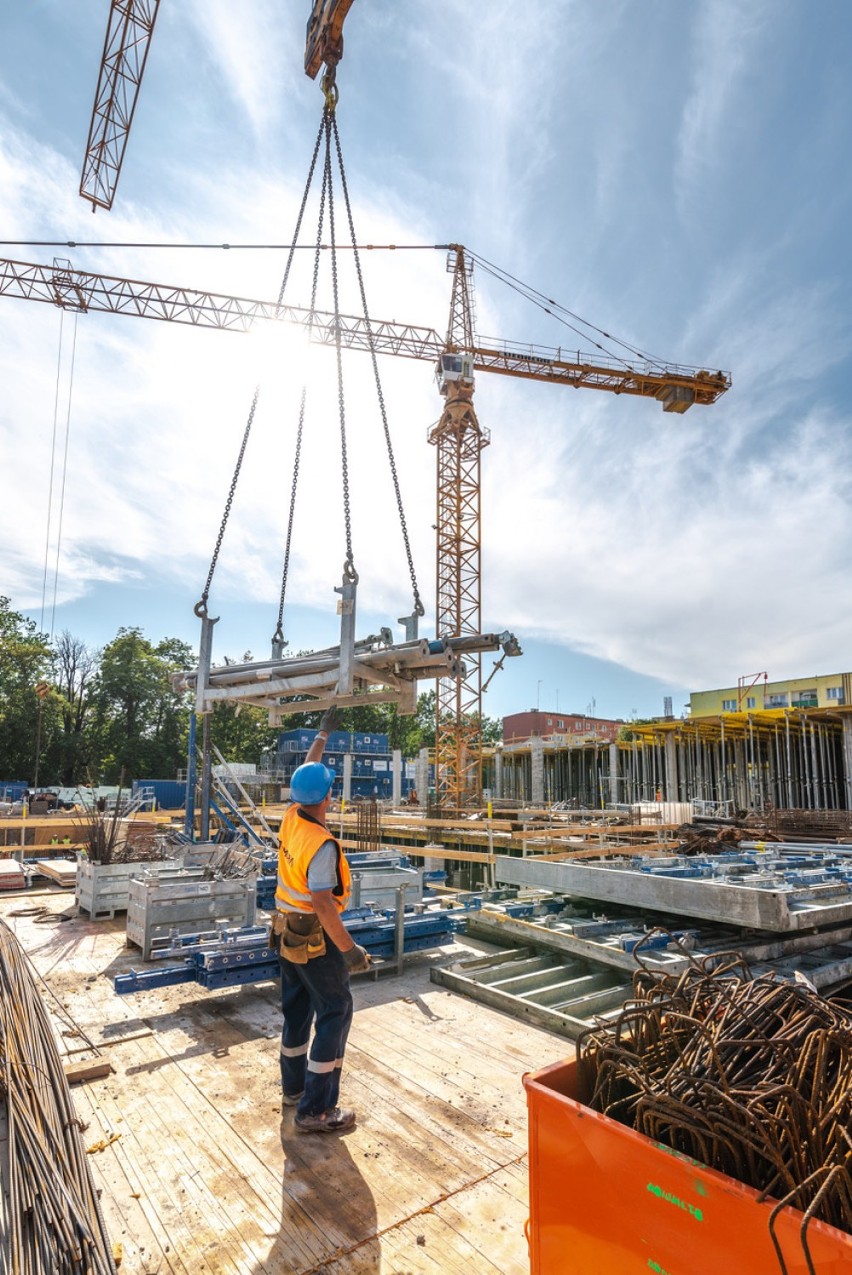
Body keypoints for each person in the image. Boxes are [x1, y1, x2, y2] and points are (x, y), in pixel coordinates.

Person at [272, 706, 371, 1134]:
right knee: (335, 1009)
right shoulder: (322, 845)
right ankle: (315, 1110)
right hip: (314, 938)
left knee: (296, 1013)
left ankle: (293, 1089)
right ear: (329, 798)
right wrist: (349, 949)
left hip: (283, 931)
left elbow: (307, 771)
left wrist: (322, 735)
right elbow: (324, 904)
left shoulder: (292, 816)